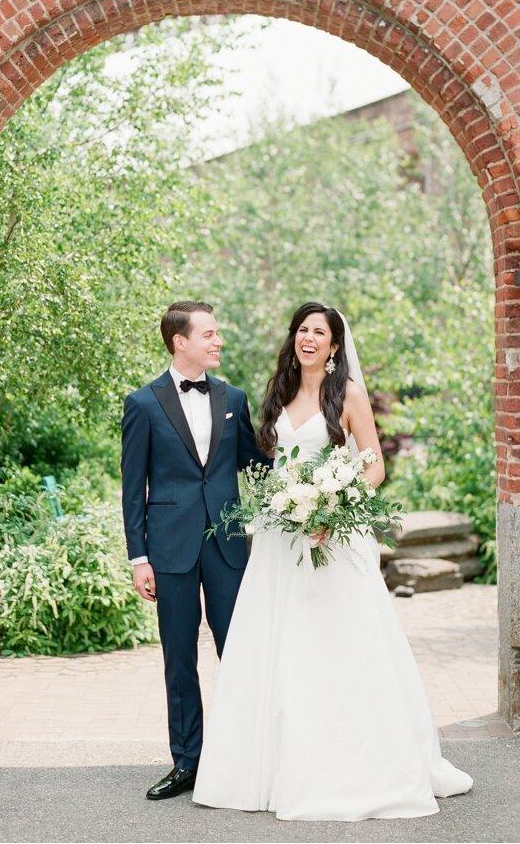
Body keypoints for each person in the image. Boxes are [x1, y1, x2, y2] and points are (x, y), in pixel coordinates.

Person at [192, 302, 473, 820]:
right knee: (275, 644)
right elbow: (272, 464)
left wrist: (334, 505)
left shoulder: (349, 396)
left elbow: (375, 468)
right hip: (281, 541)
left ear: (335, 345)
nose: (309, 338)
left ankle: (346, 764)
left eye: (319, 332)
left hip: (330, 538)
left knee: (337, 646)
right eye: (302, 330)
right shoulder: (278, 393)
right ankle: (264, 766)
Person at [120, 300, 270, 801]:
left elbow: (257, 466)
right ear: (179, 341)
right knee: (179, 659)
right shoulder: (142, 404)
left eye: (217, 333)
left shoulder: (234, 397)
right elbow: (132, 487)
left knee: (240, 652)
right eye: (208, 334)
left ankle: (248, 756)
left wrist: (310, 487)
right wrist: (138, 557)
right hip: (171, 550)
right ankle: (187, 763)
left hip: (228, 547)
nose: (218, 341)